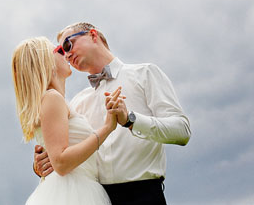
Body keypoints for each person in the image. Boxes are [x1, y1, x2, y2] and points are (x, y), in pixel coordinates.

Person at [34, 22, 191, 205]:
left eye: (68, 45)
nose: (67, 55)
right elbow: (64, 154)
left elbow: (182, 131)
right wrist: (42, 163)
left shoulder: (145, 74)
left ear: (93, 35)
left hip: (144, 194)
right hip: (97, 198)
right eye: (61, 51)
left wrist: (131, 120)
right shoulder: (77, 102)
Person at [12, 36, 124, 205]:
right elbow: (61, 163)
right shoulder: (52, 98)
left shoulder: (55, 101)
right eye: (59, 50)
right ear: (46, 62)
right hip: (72, 192)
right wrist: (108, 127)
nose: (66, 53)